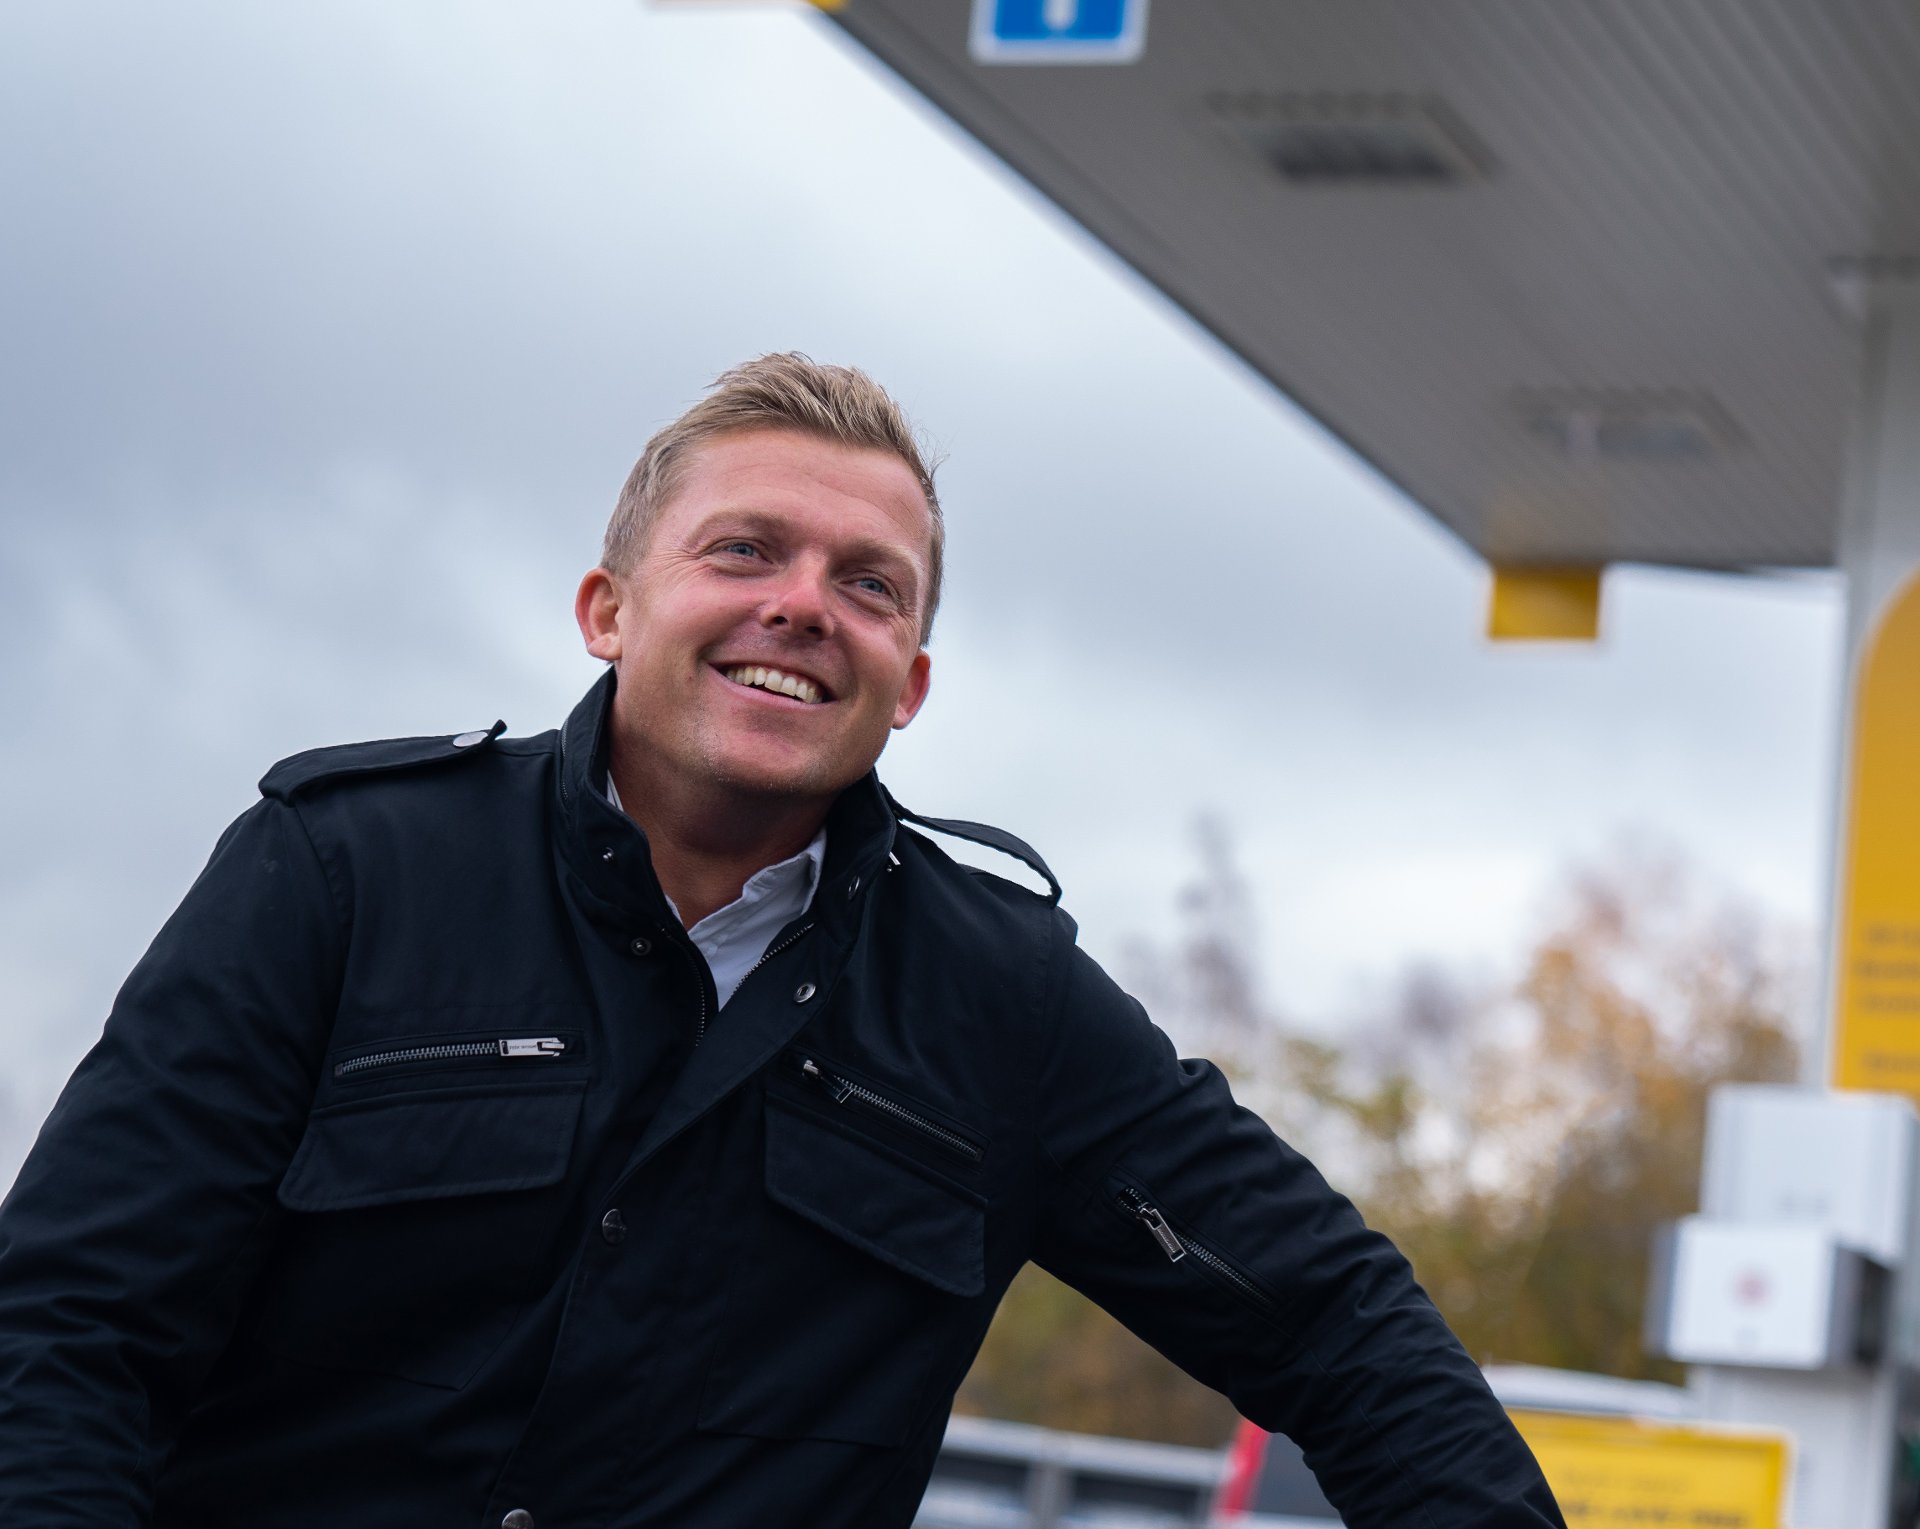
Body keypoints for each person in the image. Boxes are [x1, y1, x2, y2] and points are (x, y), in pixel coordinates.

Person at [0, 354, 1564, 1528]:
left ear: (912, 680)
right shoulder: (344, 874)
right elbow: (67, 1330)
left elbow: (1335, 1326)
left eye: (868, 584)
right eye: (744, 551)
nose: (805, 604)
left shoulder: (1003, 1005)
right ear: (609, 608)